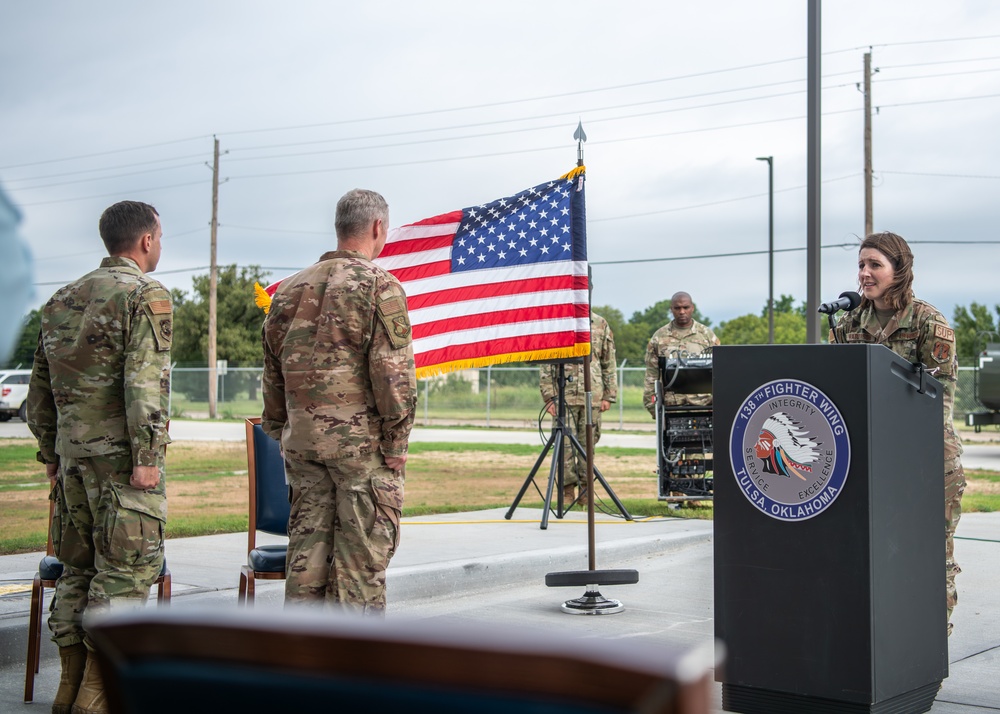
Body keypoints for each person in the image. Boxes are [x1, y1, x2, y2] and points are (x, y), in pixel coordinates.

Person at [27, 200, 172, 714]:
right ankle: (96, 699)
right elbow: (144, 386)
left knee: (77, 571)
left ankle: (67, 693)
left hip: (72, 463)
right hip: (122, 465)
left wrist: (51, 452)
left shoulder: (62, 299)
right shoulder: (144, 294)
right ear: (146, 241)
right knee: (127, 574)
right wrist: (148, 457)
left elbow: (38, 394)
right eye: (161, 236)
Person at [261, 188, 416, 614]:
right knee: (359, 570)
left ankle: (303, 671)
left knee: (305, 567)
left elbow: (272, 378)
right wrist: (396, 445)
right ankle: (353, 673)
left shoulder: (288, 292)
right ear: (377, 227)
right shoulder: (379, 286)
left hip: (303, 449)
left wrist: (282, 432)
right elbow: (394, 379)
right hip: (361, 452)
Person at [831, 231, 965, 635]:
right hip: (869, 461)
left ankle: (929, 643)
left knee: (928, 557)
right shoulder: (848, 322)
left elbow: (938, 402)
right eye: (861, 265)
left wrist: (896, 445)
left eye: (875, 265)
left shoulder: (929, 322)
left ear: (899, 270)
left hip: (926, 462)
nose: (865, 274)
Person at [539, 312, 617, 505]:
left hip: (593, 396)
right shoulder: (557, 321)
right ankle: (567, 492)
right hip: (563, 396)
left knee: (587, 446)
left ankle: (585, 492)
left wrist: (609, 395)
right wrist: (549, 396)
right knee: (564, 447)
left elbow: (609, 361)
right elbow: (546, 362)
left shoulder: (600, 323)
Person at [643, 291, 720, 416]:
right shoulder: (659, 337)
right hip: (672, 406)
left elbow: (719, 373)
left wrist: (719, 405)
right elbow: (651, 376)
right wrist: (653, 408)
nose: (682, 311)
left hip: (703, 405)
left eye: (686, 307)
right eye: (677, 308)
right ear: (671, 309)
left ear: (692, 308)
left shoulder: (707, 335)